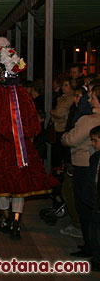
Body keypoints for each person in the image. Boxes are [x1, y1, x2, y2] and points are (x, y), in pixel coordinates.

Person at [0, 36, 51, 241]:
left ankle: (7, 219)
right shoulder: (24, 95)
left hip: (1, 147)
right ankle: (15, 221)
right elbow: (34, 124)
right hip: (22, 148)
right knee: (18, 186)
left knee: (2, 185)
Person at [62, 85, 100, 258]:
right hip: (90, 165)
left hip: (83, 164)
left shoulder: (90, 120)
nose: (89, 100)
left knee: (85, 207)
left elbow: (71, 139)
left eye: (92, 97)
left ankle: (91, 247)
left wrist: (65, 136)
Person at [85, 125, 100, 272]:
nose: (92, 144)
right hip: (95, 201)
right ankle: (96, 258)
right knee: (94, 231)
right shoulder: (95, 157)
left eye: (95, 141)